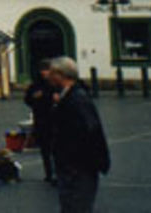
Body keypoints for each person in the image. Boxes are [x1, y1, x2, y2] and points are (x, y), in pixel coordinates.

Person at [47, 56, 110, 213]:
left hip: (78, 167)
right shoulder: (67, 96)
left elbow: (90, 131)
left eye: (52, 73)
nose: (48, 76)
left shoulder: (77, 99)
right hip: (71, 165)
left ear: (62, 75)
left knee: (77, 206)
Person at [24, 59, 56, 184]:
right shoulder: (35, 85)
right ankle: (49, 173)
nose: (44, 73)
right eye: (42, 70)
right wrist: (33, 98)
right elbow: (27, 99)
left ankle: (56, 172)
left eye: (46, 70)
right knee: (45, 148)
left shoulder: (54, 84)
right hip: (41, 119)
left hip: (54, 119)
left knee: (55, 148)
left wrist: (44, 96)